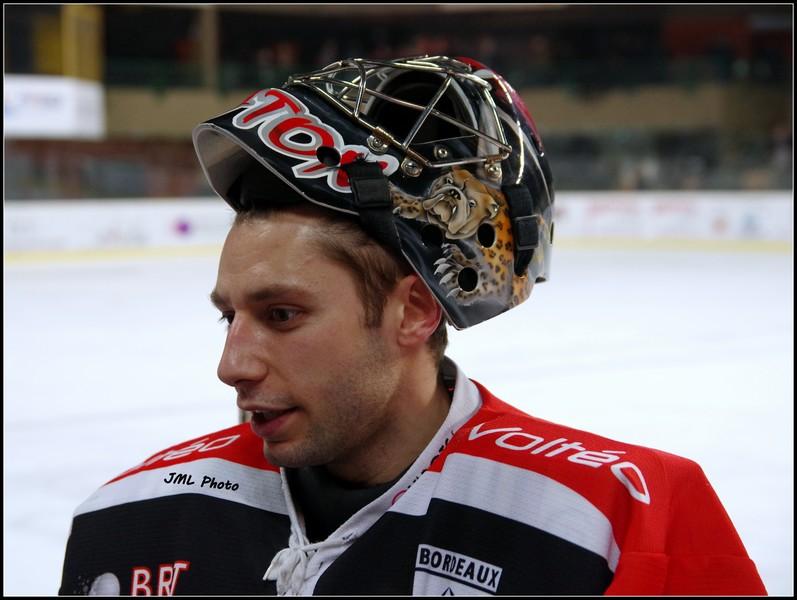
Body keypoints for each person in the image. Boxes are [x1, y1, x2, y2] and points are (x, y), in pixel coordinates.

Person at [59, 56, 766, 596]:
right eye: (228, 315)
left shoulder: (622, 525)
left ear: (415, 312)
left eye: (282, 315)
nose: (231, 366)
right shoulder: (129, 520)